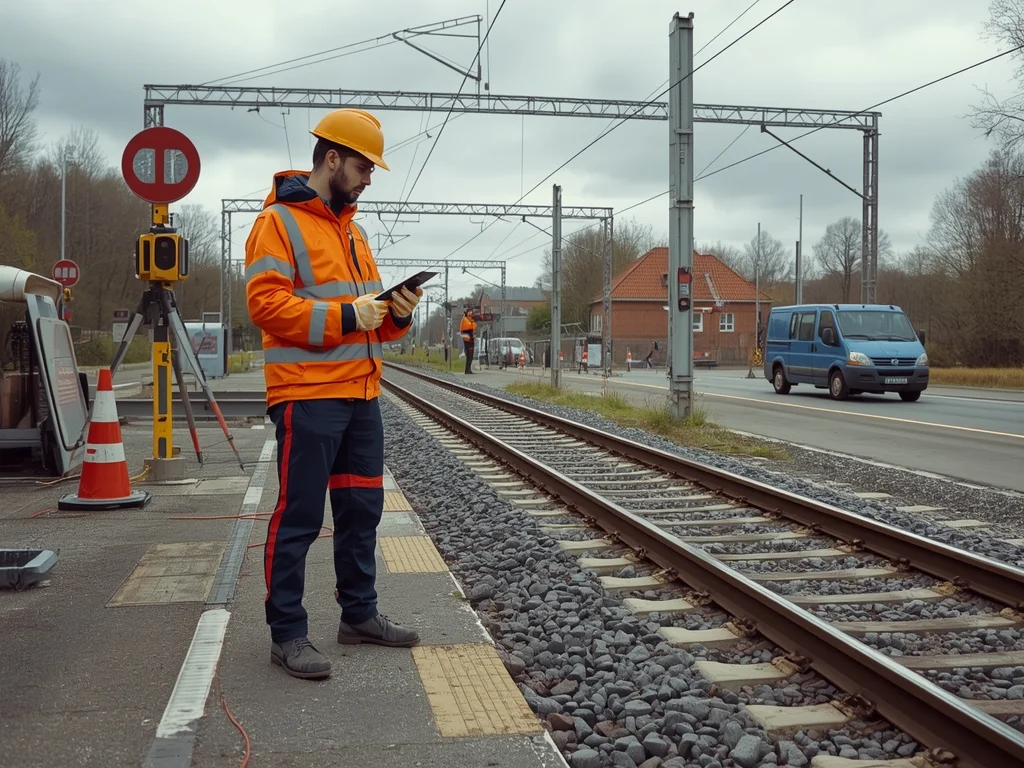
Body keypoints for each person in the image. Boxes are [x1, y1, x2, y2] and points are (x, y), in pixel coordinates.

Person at [244, 108, 421, 680]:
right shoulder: (277, 223)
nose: (370, 179)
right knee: (298, 514)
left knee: (361, 509)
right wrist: (352, 314)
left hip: (361, 393)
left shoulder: (355, 231)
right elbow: (267, 306)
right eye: (365, 167)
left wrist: (396, 315)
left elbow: (365, 317)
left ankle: (359, 616)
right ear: (333, 159)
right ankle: (288, 633)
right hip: (307, 394)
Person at [460, 307, 477, 374]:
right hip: (468, 339)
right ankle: (467, 370)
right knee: (469, 354)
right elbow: (470, 328)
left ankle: (468, 369)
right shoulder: (466, 320)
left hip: (469, 338)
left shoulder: (466, 319)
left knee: (470, 355)